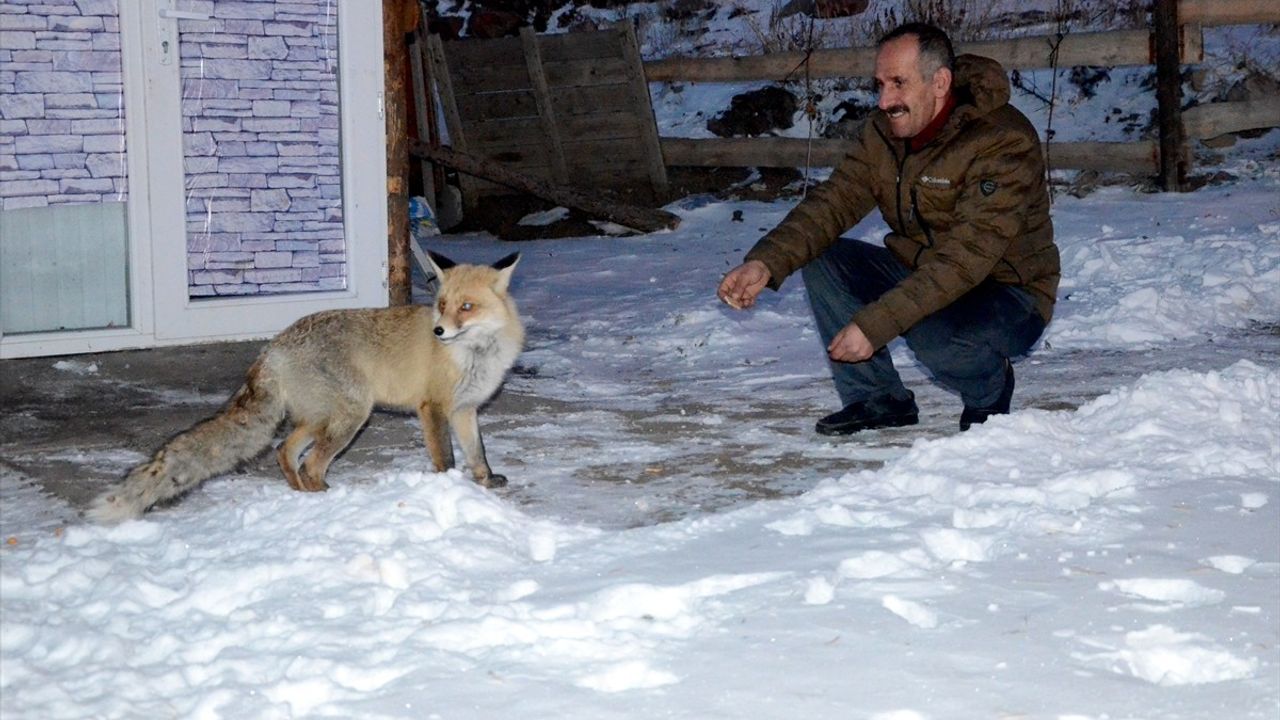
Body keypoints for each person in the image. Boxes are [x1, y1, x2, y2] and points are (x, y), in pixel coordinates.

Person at [718, 22, 1059, 435]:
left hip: (1007, 291)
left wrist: (875, 324)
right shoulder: (884, 134)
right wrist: (765, 263)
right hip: (926, 271)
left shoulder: (1002, 141)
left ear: (940, 83)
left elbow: (966, 258)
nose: (885, 100)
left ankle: (989, 392)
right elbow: (834, 202)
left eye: (898, 83)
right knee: (824, 256)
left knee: (932, 335)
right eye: (880, 84)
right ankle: (877, 397)